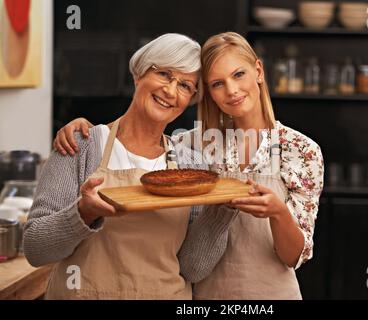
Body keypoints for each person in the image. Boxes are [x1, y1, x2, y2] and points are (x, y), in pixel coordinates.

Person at [52, 32, 324, 300]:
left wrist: (278, 212)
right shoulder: (192, 147)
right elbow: (138, 135)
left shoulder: (300, 150)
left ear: (259, 71)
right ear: (208, 93)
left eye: (239, 74)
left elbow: (292, 257)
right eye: (218, 83)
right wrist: (85, 127)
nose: (231, 90)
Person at [24, 33, 221, 300]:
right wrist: (83, 212)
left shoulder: (191, 164)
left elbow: (193, 269)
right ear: (139, 74)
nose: (171, 91)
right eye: (163, 73)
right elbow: (36, 249)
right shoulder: (79, 145)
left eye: (185, 85)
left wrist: (224, 211)